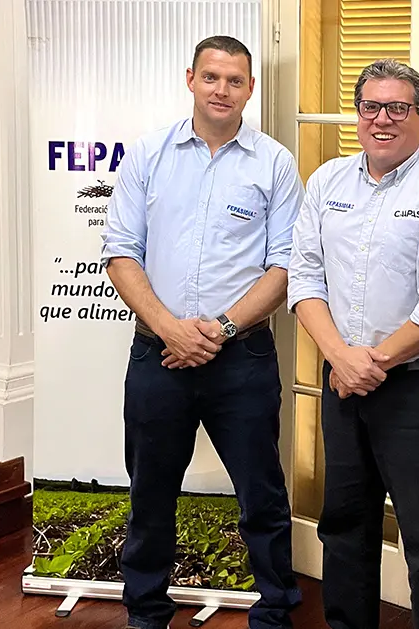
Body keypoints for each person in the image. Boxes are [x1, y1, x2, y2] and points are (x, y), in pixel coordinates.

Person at [101, 36, 303, 629]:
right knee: (150, 496)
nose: (222, 90)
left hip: (242, 358)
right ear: (190, 78)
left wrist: (217, 329)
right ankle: (146, 613)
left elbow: (287, 265)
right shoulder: (148, 155)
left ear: (250, 89)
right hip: (156, 355)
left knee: (262, 497)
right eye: (211, 77)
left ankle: (274, 614)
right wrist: (170, 330)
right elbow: (119, 252)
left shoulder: (274, 163)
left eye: (234, 81)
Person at [286, 59, 419, 629]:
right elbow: (305, 278)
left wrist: (367, 363)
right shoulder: (327, 181)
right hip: (343, 380)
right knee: (344, 523)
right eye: (371, 106)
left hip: (418, 387)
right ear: (357, 114)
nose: (382, 119)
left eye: (398, 108)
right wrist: (340, 359)